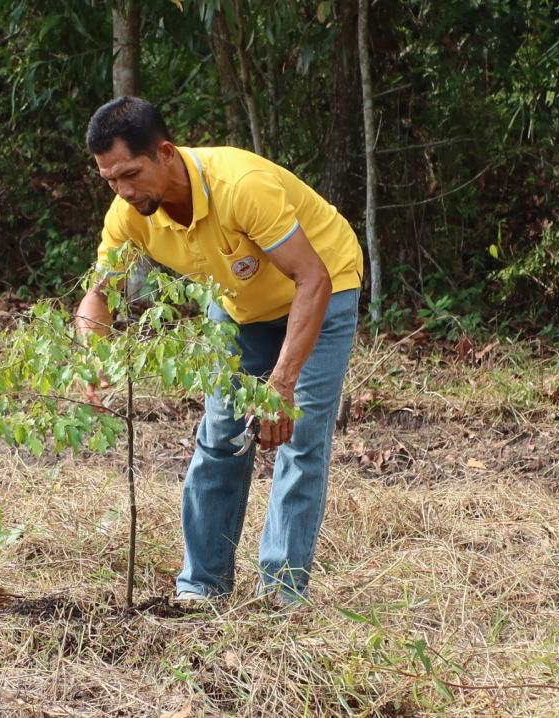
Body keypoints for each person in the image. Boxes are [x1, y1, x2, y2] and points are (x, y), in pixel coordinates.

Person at [73, 96, 364, 608]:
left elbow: (312, 277)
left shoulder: (239, 186)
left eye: (131, 174)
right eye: (110, 180)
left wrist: (280, 384)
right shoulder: (130, 212)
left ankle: (280, 597)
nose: (123, 190)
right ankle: (201, 588)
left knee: (296, 438)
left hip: (322, 287)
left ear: (166, 153)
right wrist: (91, 360)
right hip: (238, 306)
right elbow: (100, 294)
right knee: (220, 436)